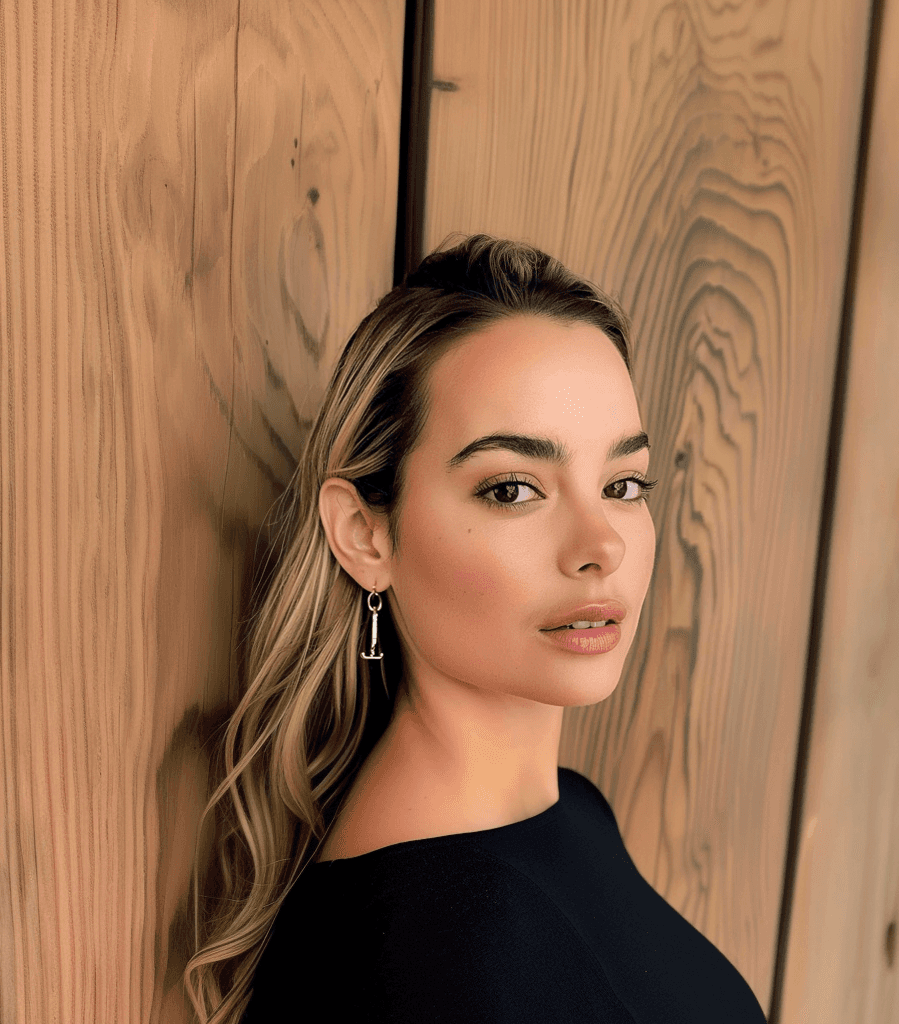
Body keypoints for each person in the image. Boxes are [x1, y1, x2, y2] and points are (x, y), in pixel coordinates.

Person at [184, 234, 767, 1023]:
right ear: (365, 534)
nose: (603, 547)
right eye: (513, 490)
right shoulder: (427, 959)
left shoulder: (569, 812)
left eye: (623, 483)